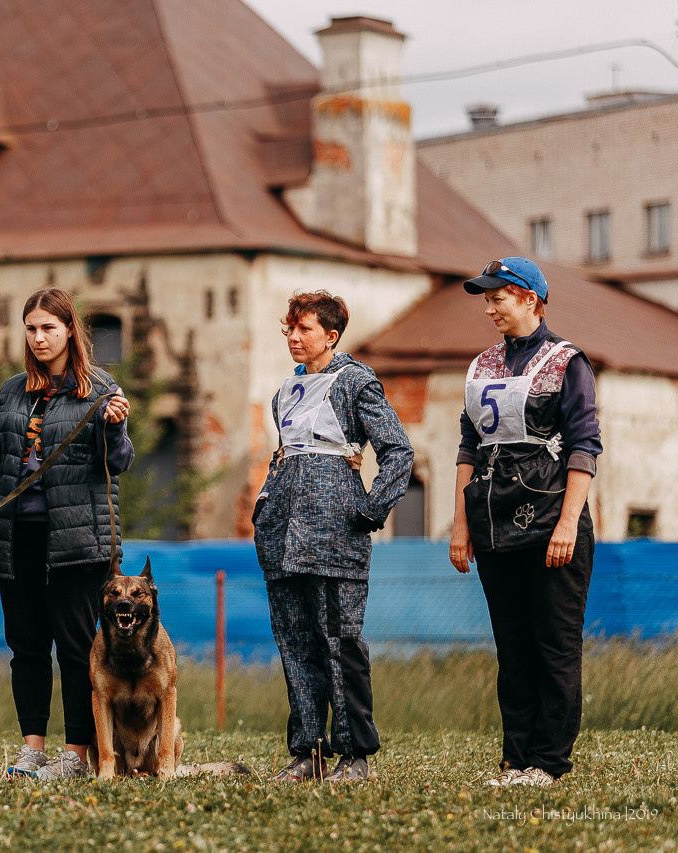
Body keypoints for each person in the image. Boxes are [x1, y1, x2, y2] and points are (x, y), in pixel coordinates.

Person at [0, 287, 133, 780]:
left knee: (77, 651)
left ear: (69, 331)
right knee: (26, 647)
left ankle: (76, 755)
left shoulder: (101, 388)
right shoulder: (12, 392)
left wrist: (114, 428)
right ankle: (33, 751)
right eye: (31, 329)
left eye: (48, 328)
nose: (39, 338)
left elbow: (121, 461)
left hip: (77, 542)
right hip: (15, 537)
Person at [449, 257, 601, 788]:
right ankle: (516, 760)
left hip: (552, 524)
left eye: (498, 298)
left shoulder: (567, 361)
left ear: (530, 299)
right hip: (494, 526)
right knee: (512, 650)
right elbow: (468, 447)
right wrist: (461, 525)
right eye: (486, 300)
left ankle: (549, 763)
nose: (489, 308)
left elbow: (584, 446)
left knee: (554, 648)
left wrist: (568, 524)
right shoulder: (481, 365)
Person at [253, 291, 412, 783]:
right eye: (290, 329)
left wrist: (370, 509)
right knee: (295, 644)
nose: (294, 337)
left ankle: (354, 755)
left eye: (305, 329)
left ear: (331, 335)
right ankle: (308, 753)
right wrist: (263, 506)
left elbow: (398, 451)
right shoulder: (285, 392)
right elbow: (285, 455)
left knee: (339, 643)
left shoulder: (356, 383)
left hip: (336, 535)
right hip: (283, 537)